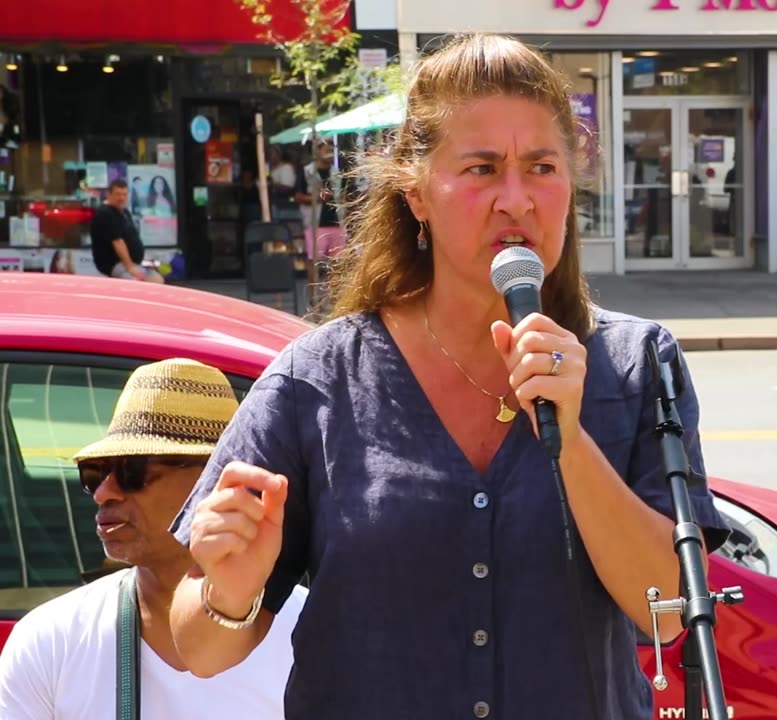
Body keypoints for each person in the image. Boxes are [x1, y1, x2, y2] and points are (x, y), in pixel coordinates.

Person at [167, 33, 729, 720]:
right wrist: (228, 591)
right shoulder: (317, 380)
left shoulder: (638, 363)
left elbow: (669, 610)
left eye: (543, 167)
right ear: (417, 193)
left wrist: (571, 442)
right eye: (483, 168)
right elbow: (198, 649)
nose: (516, 198)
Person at [0, 359, 305, 719]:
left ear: (215, 480)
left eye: (133, 472)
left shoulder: (310, 630)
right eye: (95, 474)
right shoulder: (50, 641)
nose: (103, 493)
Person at [90, 178, 164, 283]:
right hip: (116, 264)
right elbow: (118, 242)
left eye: (124, 194)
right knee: (137, 283)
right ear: (109, 195)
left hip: (133, 262)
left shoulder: (124, 212)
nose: (121, 198)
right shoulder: (106, 214)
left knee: (157, 279)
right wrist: (130, 267)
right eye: (118, 194)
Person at [294, 142, 347, 283]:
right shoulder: (307, 172)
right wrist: (316, 198)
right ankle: (314, 299)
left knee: (338, 262)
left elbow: (343, 195)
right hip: (315, 224)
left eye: (331, 145)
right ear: (316, 151)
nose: (329, 148)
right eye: (324, 146)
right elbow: (298, 196)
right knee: (315, 261)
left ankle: (335, 299)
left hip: (337, 223)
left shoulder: (337, 173)